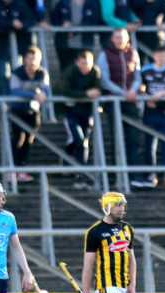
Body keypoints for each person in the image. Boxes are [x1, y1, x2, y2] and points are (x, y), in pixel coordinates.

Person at [97, 28, 147, 187]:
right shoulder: (104, 54)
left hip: (130, 101)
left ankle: (135, 175)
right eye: (116, 37)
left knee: (134, 138)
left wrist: (132, 90)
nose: (119, 40)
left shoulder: (133, 53)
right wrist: (122, 92)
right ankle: (117, 174)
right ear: (112, 38)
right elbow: (104, 79)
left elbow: (138, 75)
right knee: (116, 138)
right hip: (114, 102)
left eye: (122, 37)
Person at [59, 50, 102, 189]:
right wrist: (85, 94)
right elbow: (63, 90)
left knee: (84, 142)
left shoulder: (95, 72)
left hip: (87, 111)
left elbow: (98, 89)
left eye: (87, 64)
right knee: (77, 139)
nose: (85, 66)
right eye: (82, 63)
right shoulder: (70, 72)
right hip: (71, 111)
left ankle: (79, 176)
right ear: (77, 62)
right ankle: (66, 160)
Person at [140, 45, 165, 186]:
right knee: (149, 145)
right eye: (158, 54)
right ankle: (151, 174)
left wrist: (161, 94)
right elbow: (139, 87)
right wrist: (147, 98)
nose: (161, 57)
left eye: (163, 55)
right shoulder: (145, 70)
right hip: (149, 113)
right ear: (154, 55)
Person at [9, 45, 50, 183]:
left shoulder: (42, 72)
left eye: (36, 59)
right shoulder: (17, 73)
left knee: (29, 140)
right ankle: (12, 169)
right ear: (25, 59)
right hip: (17, 109)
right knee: (18, 139)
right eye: (30, 58)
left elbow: (46, 88)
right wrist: (33, 95)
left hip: (33, 110)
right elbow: (15, 90)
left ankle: (21, 169)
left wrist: (43, 94)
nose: (33, 62)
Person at [0, 0, 36, 96]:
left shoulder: (20, 4)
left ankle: (18, 105)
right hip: (0, 49)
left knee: (19, 75)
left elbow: (30, 20)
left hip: (19, 49)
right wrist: (11, 24)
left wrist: (21, 24)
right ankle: (4, 105)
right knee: (2, 76)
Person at [50, 0, 103, 72]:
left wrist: (74, 31)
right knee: (66, 71)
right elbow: (54, 19)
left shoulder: (92, 3)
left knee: (85, 71)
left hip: (85, 44)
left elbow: (95, 21)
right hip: (64, 45)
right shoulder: (62, 3)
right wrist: (63, 23)